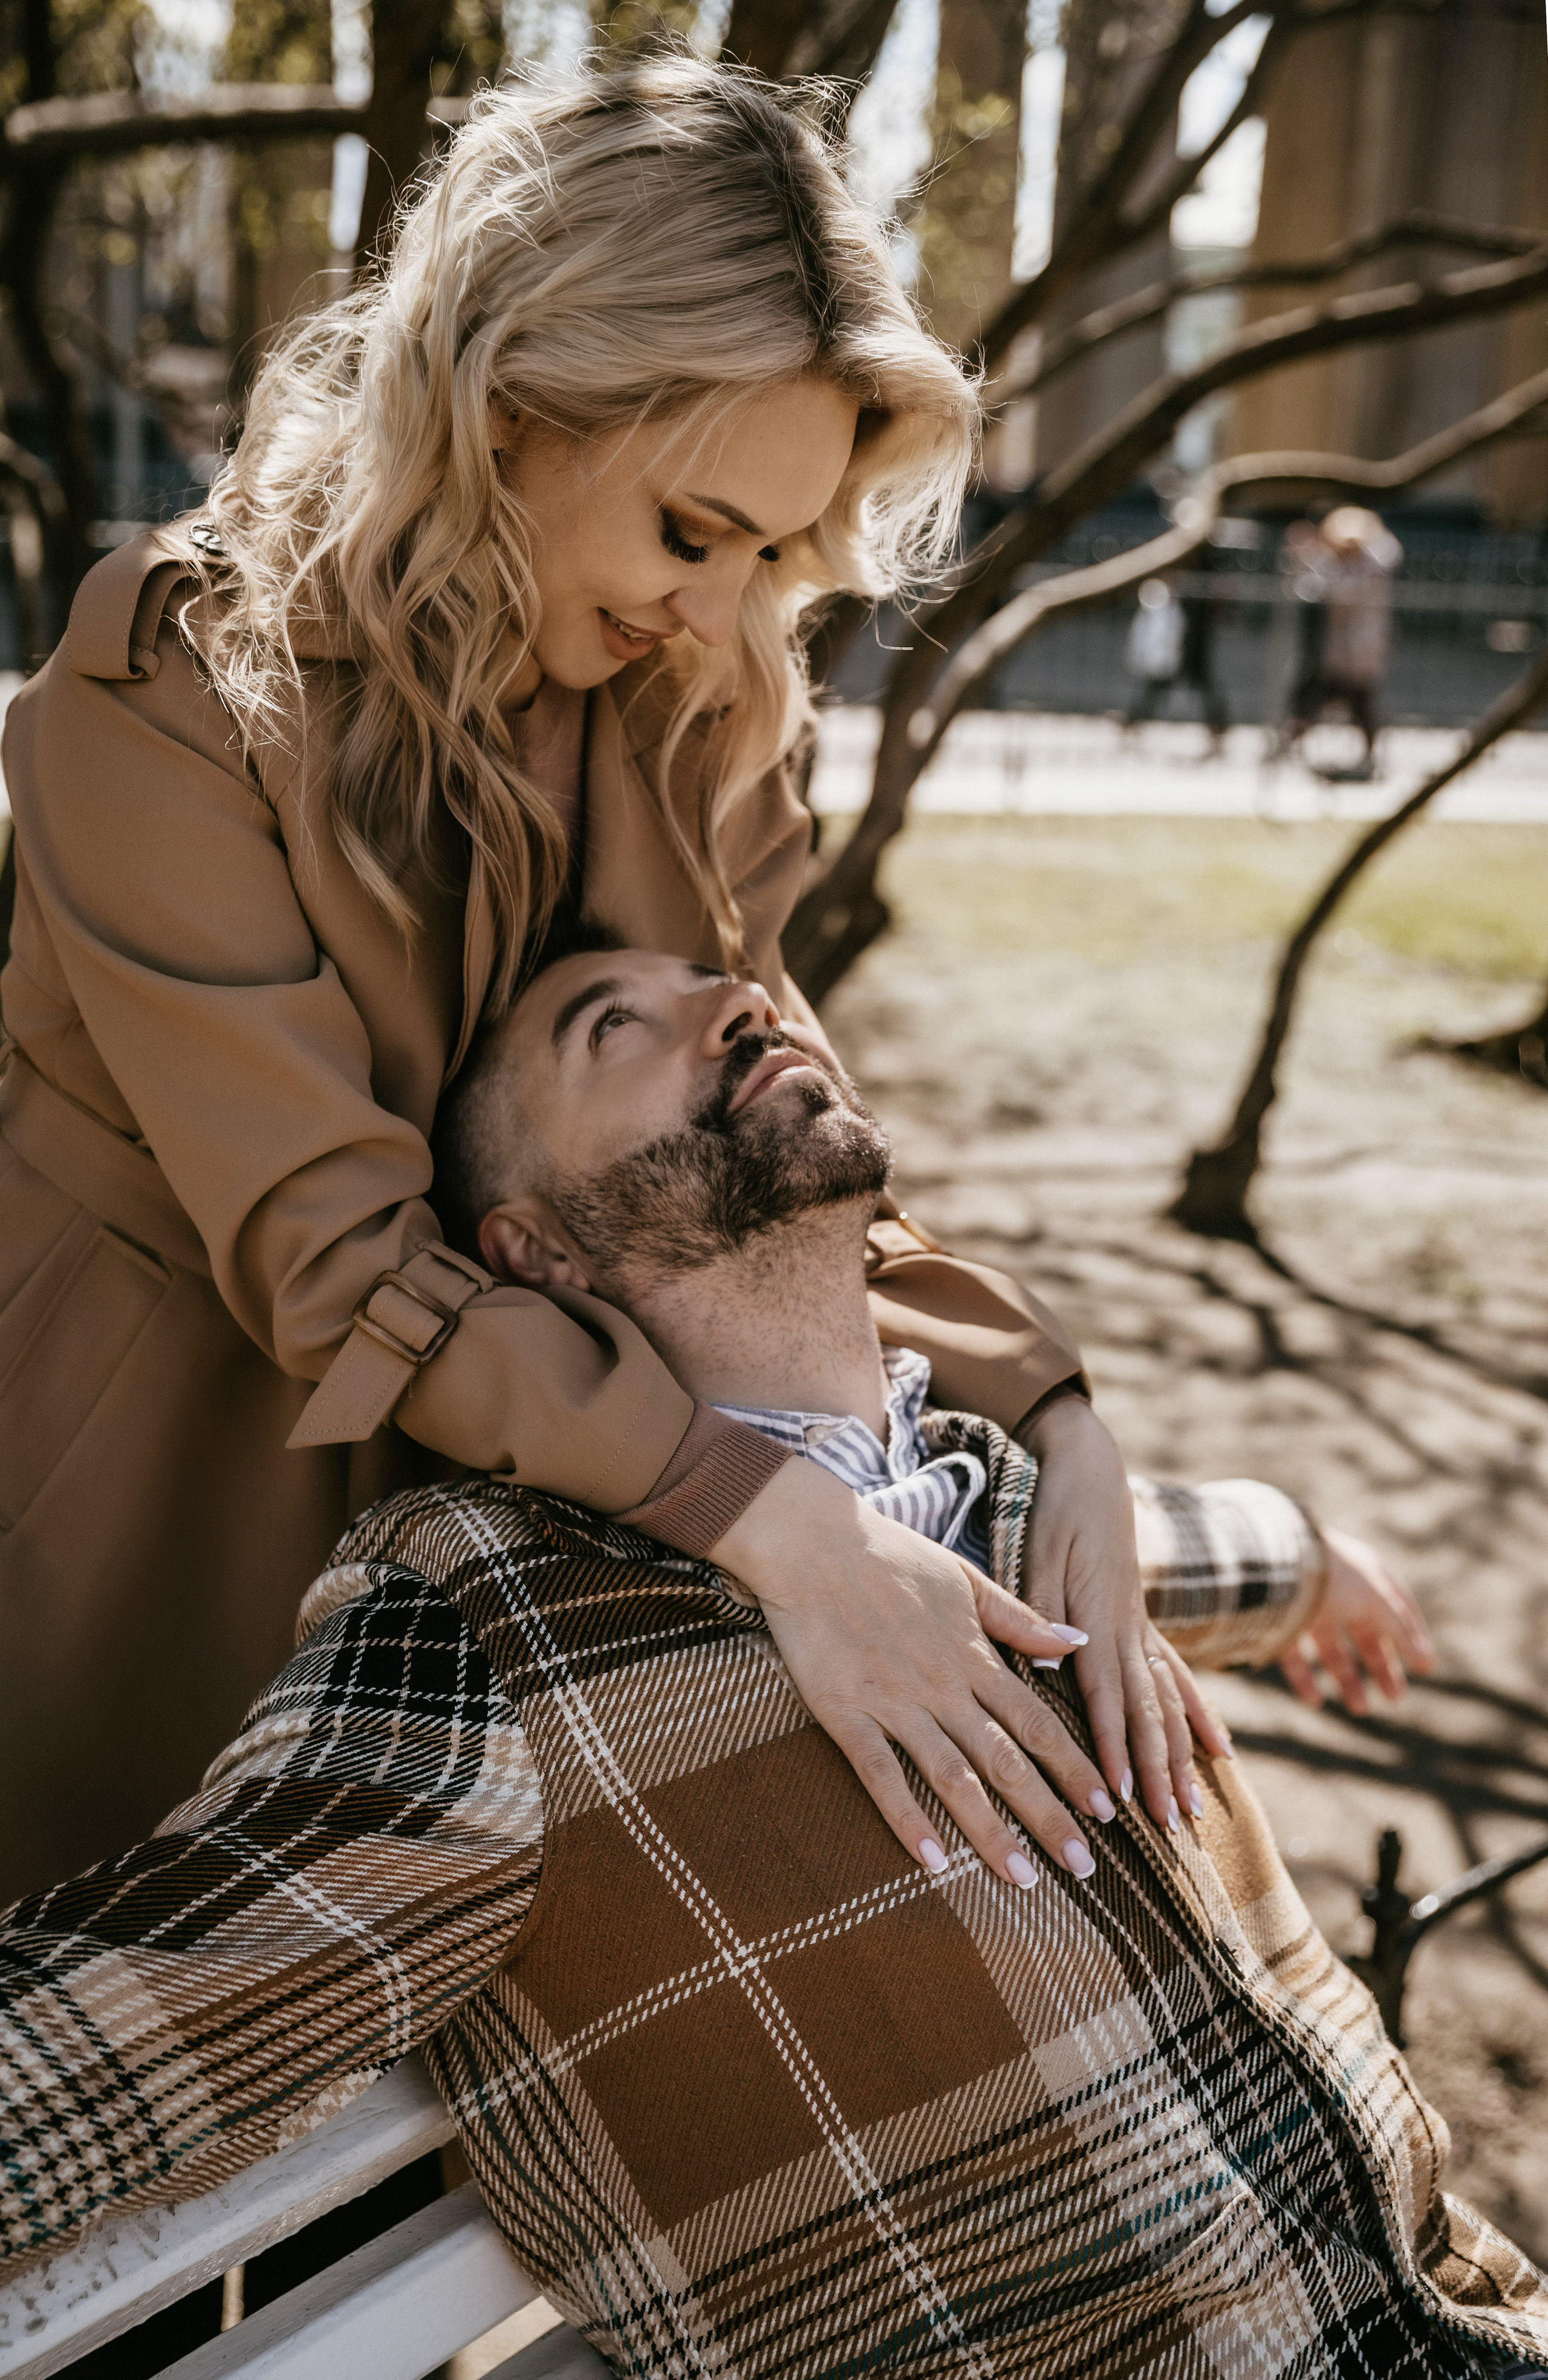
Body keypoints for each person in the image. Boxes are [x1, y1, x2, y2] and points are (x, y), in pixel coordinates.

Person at [2, 944, 1533, 2380]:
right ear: (530, 1248)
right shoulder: (493, 1637)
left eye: (716, 977)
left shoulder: (999, 1487)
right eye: (613, 1025)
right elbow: (87, 2048)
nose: (734, 997)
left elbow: (1161, 1549)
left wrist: (1311, 1558)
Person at [0, 55, 1154, 1903]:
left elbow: (765, 1137)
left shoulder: (693, 707)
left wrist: (1053, 1411)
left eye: (775, 550)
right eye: (694, 532)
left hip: (536, 1522)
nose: (725, 608)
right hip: (142, 1530)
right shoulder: (159, 701)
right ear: (504, 406)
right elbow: (338, 1260)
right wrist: (777, 1525)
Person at [1276, 506, 1403, 779]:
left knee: (1360, 703)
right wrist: (1304, 554)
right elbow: (1314, 581)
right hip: (1337, 651)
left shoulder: (1371, 567)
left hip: (1360, 651)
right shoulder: (1339, 566)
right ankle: (1288, 744)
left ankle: (1369, 754)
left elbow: (1346, 593)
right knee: (1316, 698)